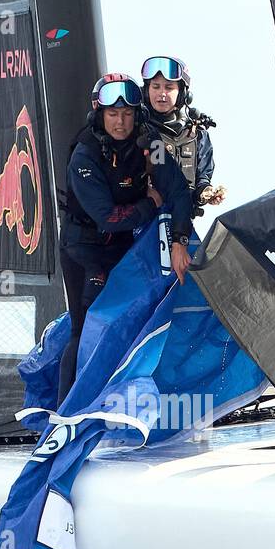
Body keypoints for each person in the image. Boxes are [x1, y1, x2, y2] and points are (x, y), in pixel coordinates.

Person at [57, 73, 195, 404]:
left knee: (131, 326)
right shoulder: (85, 157)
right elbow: (110, 218)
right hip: (85, 250)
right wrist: (150, 202)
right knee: (87, 328)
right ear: (99, 114)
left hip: (124, 249)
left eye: (128, 114)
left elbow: (177, 190)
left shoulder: (151, 144)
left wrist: (179, 241)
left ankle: (119, 405)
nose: (121, 122)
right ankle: (65, 413)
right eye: (113, 114)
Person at [140, 55, 225, 215]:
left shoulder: (197, 134)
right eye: (156, 86)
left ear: (183, 93)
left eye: (169, 87)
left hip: (182, 222)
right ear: (146, 90)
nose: (162, 93)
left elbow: (202, 179)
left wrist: (206, 192)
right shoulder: (137, 129)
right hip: (143, 223)